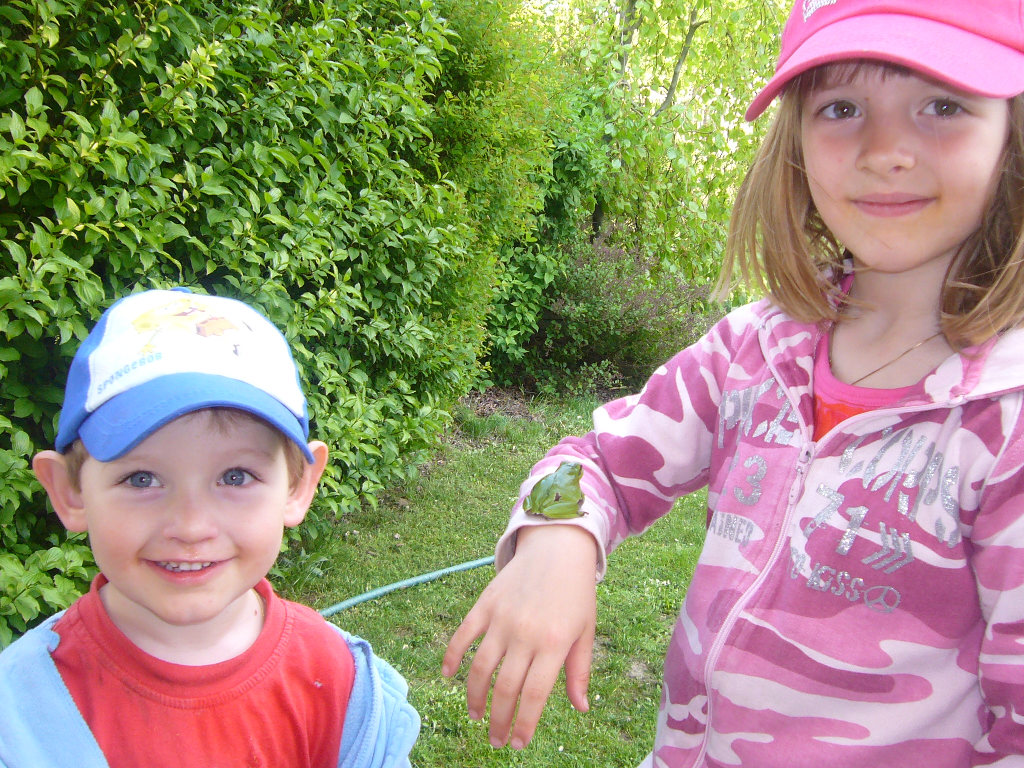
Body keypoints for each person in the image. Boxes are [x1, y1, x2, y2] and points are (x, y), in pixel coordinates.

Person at [442, 0, 1024, 764]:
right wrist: (559, 535)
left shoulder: (1004, 422)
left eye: (943, 105)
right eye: (841, 108)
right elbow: (599, 461)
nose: (886, 150)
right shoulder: (755, 347)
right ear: (795, 146)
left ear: (1011, 135)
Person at [0, 288, 419, 768]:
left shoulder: (345, 688)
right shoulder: (19, 715)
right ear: (70, 492)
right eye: (142, 479)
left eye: (235, 477)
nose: (191, 527)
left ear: (298, 486)